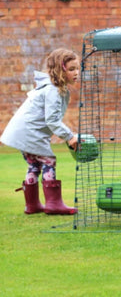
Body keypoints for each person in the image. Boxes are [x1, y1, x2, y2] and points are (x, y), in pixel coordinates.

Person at [1, 48, 80, 215]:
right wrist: (70, 136)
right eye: (72, 69)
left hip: (23, 132)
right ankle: (53, 204)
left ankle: (32, 205)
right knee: (49, 160)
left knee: (34, 164)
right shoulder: (53, 90)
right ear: (61, 70)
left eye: (77, 68)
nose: (76, 73)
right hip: (29, 132)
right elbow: (52, 120)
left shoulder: (54, 88)